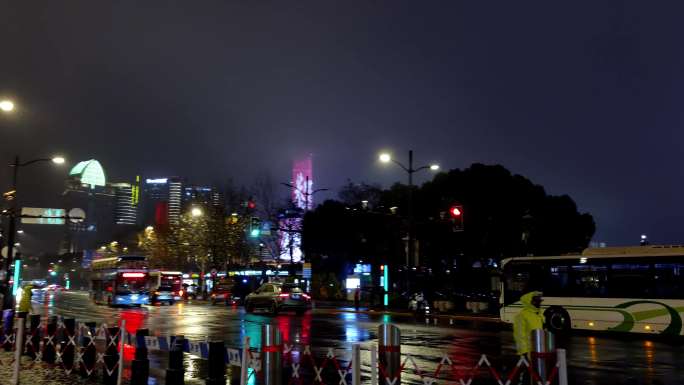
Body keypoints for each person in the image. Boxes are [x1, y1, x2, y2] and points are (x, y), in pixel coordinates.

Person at [513, 291, 545, 384]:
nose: (539, 302)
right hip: (528, 353)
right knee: (526, 376)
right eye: (537, 300)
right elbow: (519, 336)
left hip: (538, 351)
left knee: (536, 376)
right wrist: (524, 353)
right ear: (530, 302)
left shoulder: (539, 314)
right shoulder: (522, 316)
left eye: (539, 300)